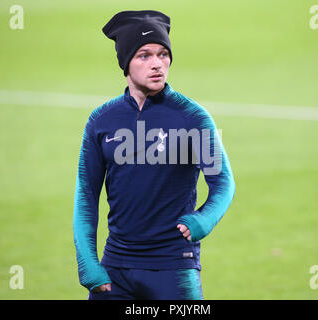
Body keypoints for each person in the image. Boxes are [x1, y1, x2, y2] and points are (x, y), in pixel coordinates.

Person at [73, 10, 236, 300]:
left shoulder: (192, 117)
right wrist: (87, 259)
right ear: (125, 63)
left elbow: (223, 183)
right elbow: (86, 196)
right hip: (115, 269)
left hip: (174, 266)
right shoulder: (101, 120)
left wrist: (205, 219)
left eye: (163, 54)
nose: (157, 64)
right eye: (144, 55)